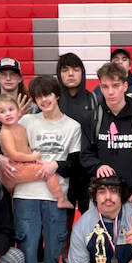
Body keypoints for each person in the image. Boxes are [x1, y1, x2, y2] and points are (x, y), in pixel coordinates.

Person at [4, 77, 81, 263]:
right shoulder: (26, 121)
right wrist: (1, 158)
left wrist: (56, 165)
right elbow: (9, 148)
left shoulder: (72, 126)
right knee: (27, 242)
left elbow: (75, 164)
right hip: (26, 193)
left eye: (47, 94)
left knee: (55, 242)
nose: (43, 100)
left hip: (56, 193)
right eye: (39, 96)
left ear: (57, 95)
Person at [77, 62, 132, 210]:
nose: (110, 92)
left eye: (115, 85)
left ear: (125, 86)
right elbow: (85, 155)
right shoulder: (92, 118)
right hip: (101, 196)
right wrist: (98, 166)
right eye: (105, 87)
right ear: (100, 87)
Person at [54, 53, 96, 210]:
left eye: (75, 69)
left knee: (92, 226)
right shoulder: (52, 101)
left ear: (83, 73)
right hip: (60, 173)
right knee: (61, 227)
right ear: (59, 74)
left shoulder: (94, 99)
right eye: (65, 70)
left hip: (88, 171)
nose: (70, 74)